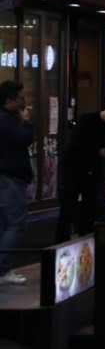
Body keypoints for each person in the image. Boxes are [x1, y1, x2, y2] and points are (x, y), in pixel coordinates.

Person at [56, 93, 105, 242]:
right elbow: (74, 147)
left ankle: (87, 246)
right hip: (73, 172)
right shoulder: (86, 120)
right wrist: (98, 151)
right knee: (67, 211)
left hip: (93, 174)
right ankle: (59, 249)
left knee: (90, 212)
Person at [0, 81, 33, 285]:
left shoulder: (6, 118)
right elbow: (24, 139)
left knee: (4, 224)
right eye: (20, 97)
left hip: (7, 177)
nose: (24, 100)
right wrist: (27, 122)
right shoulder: (6, 120)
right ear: (10, 100)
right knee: (15, 224)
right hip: (10, 177)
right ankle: (3, 270)